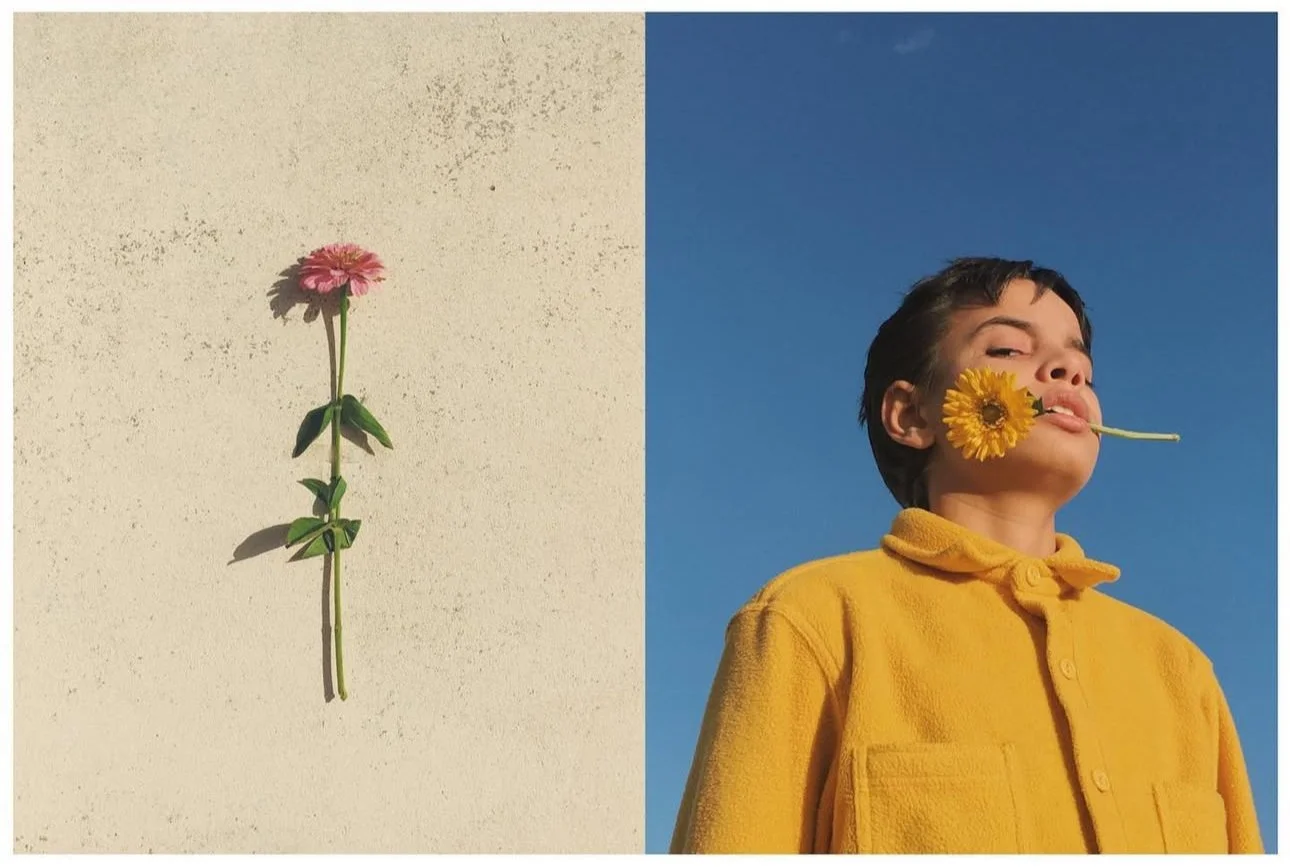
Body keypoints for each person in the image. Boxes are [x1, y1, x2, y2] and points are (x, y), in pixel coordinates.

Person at [669, 257, 1262, 854]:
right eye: (1007, 350)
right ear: (911, 415)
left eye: (1080, 361)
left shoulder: (1183, 673)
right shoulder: (812, 619)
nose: (1072, 370)